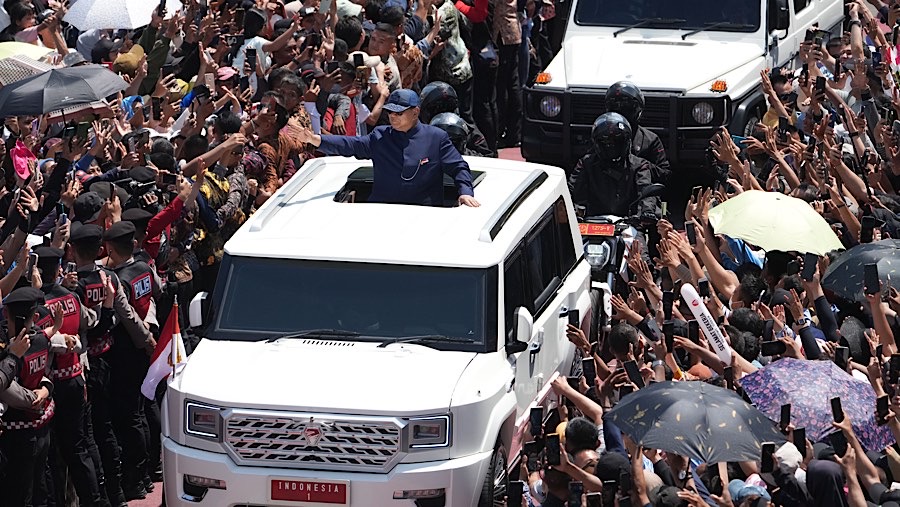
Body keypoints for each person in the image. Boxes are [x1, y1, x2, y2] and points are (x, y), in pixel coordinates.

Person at [298, 89, 480, 207]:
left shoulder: (436, 138)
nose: (393, 117)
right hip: (381, 211)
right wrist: (317, 140)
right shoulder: (380, 136)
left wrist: (465, 192)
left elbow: (459, 167)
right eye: (390, 112)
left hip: (424, 214)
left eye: (399, 113)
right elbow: (351, 145)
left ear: (415, 112)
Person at [568, 112, 657, 218]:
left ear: (627, 142)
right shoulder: (586, 163)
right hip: (590, 221)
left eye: (617, 142)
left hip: (629, 223)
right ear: (596, 143)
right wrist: (569, 209)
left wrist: (647, 212)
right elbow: (570, 189)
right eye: (606, 143)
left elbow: (646, 191)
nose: (612, 147)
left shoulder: (639, 166)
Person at [605, 81, 670, 183]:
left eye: (625, 105)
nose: (620, 109)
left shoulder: (650, 139)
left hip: (639, 193)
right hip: (606, 191)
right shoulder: (602, 136)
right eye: (615, 105)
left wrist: (637, 164)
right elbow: (587, 166)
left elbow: (664, 174)